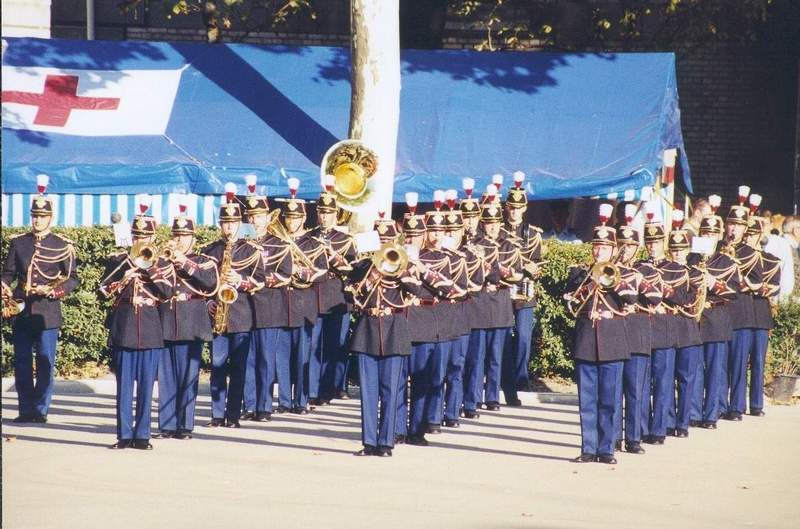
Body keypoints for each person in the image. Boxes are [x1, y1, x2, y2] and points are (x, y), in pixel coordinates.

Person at [2, 174, 78, 424]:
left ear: (50, 218)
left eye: (42, 216)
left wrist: (55, 291)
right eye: (34, 215)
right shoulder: (19, 243)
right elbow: (8, 273)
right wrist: (4, 288)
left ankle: (40, 409)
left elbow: (72, 278)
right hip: (22, 309)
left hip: (47, 311)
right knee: (22, 362)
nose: (37, 220)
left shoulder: (62, 245)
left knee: (45, 362)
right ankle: (25, 410)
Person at [99, 198, 173, 450]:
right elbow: (102, 291)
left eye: (145, 236)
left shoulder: (162, 264)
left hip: (151, 330)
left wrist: (149, 270)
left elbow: (167, 293)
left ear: (153, 238)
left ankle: (142, 435)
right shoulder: (119, 260)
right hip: (125, 328)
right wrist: (124, 276)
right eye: (137, 235)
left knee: (145, 387)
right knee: (124, 388)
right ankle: (123, 435)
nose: (140, 241)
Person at [564, 204, 634, 465]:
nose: (599, 251)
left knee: (609, 400)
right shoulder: (579, 273)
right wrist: (588, 283)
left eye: (604, 248)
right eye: (596, 247)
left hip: (612, 341)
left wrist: (611, 281)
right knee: (587, 401)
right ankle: (588, 448)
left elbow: (630, 300)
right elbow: (570, 300)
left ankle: (607, 449)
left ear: (613, 250)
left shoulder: (623, 275)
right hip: (586, 341)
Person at [348, 217, 418, 457]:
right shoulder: (364, 266)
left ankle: (386, 442)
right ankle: (369, 442)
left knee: (391, 390)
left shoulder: (404, 266)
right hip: (367, 331)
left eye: (389, 241)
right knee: (368, 392)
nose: (385, 246)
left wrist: (397, 273)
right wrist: (369, 277)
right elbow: (350, 294)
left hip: (394, 332)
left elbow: (416, 289)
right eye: (382, 241)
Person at [155, 205, 218, 439]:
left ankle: (184, 425)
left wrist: (183, 262)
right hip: (166, 321)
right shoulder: (162, 261)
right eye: (177, 235)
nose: (180, 240)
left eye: (184, 236)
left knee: (188, 377)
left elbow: (210, 283)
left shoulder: (205, 261)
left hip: (192, 323)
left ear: (193, 237)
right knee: (166, 377)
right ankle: (167, 425)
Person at [202, 191, 264, 429]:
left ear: (240, 224)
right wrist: (209, 303)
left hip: (241, 316)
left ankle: (233, 416)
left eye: (233, 223)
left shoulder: (251, 250)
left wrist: (239, 280)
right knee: (217, 366)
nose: (228, 228)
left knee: (239, 368)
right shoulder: (210, 250)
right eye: (225, 223)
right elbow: (203, 284)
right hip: (218, 316)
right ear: (220, 224)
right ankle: (217, 414)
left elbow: (260, 280)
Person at [462, 189, 520, 417]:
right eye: (488, 223)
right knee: (476, 356)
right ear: (482, 224)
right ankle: (473, 396)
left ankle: (493, 396)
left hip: (501, 303)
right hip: (480, 302)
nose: (493, 227)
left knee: (497, 355)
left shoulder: (509, 245)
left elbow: (517, 273)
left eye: (496, 223)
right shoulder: (472, 245)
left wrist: (497, 273)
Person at [687, 197, 740, 430]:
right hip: (696, 320)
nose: (708, 237)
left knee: (716, 369)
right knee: (695, 368)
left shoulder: (726, 261)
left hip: (717, 318)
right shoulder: (691, 259)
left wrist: (713, 283)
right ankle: (694, 412)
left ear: (719, 236)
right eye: (704, 233)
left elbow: (734, 291)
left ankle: (711, 414)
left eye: (712, 234)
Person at [613, 205, 661, 454]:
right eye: (622, 244)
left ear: (637, 248)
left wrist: (637, 282)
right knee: (613, 391)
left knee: (635, 390)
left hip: (638, 333)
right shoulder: (609, 270)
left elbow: (656, 298)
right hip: (615, 334)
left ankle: (633, 437)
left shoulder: (647, 270)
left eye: (630, 246)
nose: (625, 250)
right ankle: (611, 438)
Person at [243, 185, 293, 422]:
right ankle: (249, 403)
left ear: (267, 217)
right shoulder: (241, 244)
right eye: (251, 217)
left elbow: (286, 274)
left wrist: (263, 280)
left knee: (265, 358)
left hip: (269, 307)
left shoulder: (279, 245)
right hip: (243, 307)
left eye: (259, 216)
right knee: (247, 358)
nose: (255, 221)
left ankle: (264, 406)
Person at [307, 184, 356, 405]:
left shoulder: (345, 240)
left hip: (337, 297)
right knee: (314, 345)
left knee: (335, 345)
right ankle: (313, 390)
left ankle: (331, 387)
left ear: (335, 215)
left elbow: (354, 269)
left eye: (328, 213)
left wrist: (336, 257)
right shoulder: (309, 239)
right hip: (315, 296)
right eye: (321, 213)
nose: (324, 217)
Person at [500, 172, 544, 406]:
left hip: (525, 289)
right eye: (511, 207)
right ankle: (502, 377)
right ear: (506, 208)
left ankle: (520, 376)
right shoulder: (498, 231)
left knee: (524, 336)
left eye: (518, 208)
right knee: (505, 336)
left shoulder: (534, 234)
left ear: (524, 208)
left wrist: (531, 268)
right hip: (505, 288)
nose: (514, 211)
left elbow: (537, 264)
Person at [662, 212, 703, 439]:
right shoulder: (664, 271)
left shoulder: (696, 273)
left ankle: (683, 422)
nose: (678, 253)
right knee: (666, 378)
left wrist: (671, 293)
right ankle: (668, 421)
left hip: (688, 330)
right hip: (669, 328)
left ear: (688, 251)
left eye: (681, 249)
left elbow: (692, 300)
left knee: (687, 379)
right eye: (674, 249)